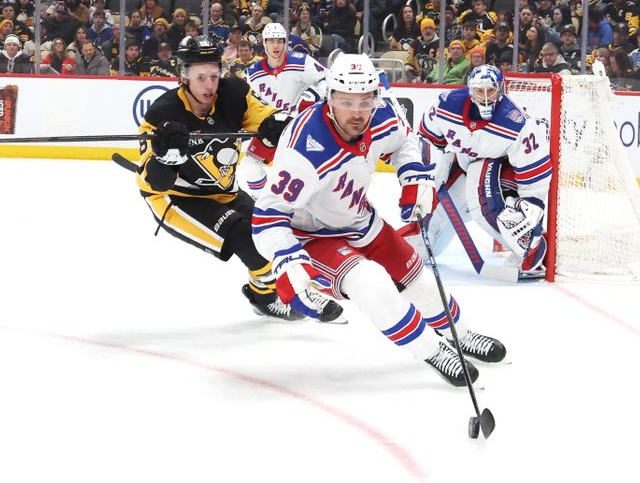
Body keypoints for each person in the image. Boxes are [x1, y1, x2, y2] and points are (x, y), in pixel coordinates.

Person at [251, 54, 506, 387]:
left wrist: (413, 173)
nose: (357, 112)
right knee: (373, 285)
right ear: (329, 98)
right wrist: (287, 259)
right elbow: (267, 215)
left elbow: (404, 142)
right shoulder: (304, 148)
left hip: (360, 219)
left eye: (364, 101)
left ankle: (461, 336)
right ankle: (433, 351)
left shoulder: (382, 112)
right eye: (346, 102)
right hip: (313, 236)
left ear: (375, 96)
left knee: (421, 282)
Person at [136, 35, 342, 323]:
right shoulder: (162, 113)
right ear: (183, 77)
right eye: (200, 78)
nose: (209, 85)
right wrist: (165, 158)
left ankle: (263, 290)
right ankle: (274, 295)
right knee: (245, 237)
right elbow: (152, 182)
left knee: (271, 228)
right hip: (177, 199)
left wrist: (278, 125)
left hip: (226, 191)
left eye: (213, 75)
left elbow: (266, 117)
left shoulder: (233, 94)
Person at [408, 64, 551, 277]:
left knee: (483, 198)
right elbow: (427, 140)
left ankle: (531, 248)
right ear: (470, 90)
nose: (485, 97)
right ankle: (423, 246)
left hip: (504, 174)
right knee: (431, 222)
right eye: (479, 91)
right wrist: (428, 175)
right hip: (466, 166)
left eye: (490, 90)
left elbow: (532, 174)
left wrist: (531, 204)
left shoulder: (516, 123)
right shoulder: (446, 105)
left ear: (500, 89)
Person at [241, 22, 328, 196]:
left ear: (285, 43)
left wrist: (313, 94)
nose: (275, 46)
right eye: (271, 41)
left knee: (302, 170)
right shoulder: (252, 73)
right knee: (249, 166)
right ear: (264, 43)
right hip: (271, 129)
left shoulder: (301, 61)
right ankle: (262, 202)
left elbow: (328, 79)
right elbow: (243, 101)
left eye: (280, 41)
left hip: (301, 127)